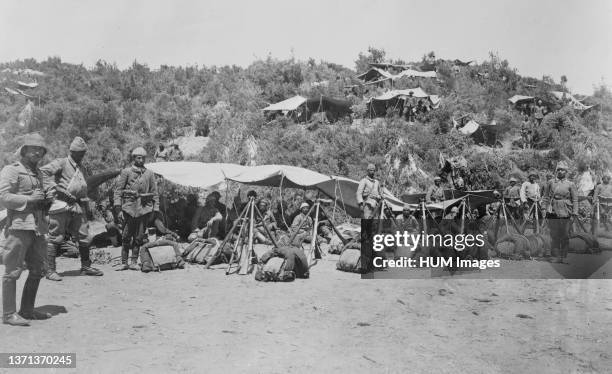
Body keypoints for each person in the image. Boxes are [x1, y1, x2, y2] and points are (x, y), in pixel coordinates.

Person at [0, 133, 55, 326]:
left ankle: (27, 310)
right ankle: (8, 314)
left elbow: (41, 200)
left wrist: (48, 199)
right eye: (33, 148)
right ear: (24, 150)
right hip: (19, 227)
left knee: (37, 269)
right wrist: (29, 199)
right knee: (12, 271)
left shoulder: (39, 173)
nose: (37, 152)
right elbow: (4, 197)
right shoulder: (12, 170)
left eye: (40, 150)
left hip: (38, 227)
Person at [40, 136, 103, 281]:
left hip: (77, 205)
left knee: (84, 235)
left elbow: (84, 186)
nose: (82, 156)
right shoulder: (61, 162)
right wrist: (56, 189)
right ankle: (50, 270)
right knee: (55, 236)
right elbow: (43, 173)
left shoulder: (82, 168)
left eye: (83, 153)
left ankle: (86, 267)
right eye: (79, 153)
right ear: (72, 152)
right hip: (60, 205)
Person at [114, 147, 159, 270]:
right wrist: (118, 210)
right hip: (129, 209)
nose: (141, 160)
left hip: (144, 209)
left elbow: (154, 192)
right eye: (138, 157)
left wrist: (155, 209)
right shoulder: (126, 172)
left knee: (139, 237)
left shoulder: (149, 174)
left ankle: (133, 262)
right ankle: (124, 262)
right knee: (126, 236)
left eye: (143, 158)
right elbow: (118, 192)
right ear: (133, 158)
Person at [541, 161, 578, 263]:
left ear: (566, 172)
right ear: (556, 171)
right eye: (558, 170)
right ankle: (556, 256)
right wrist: (544, 208)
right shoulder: (551, 182)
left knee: (565, 235)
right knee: (554, 234)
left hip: (566, 211)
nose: (560, 171)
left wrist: (574, 213)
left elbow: (575, 200)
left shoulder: (571, 184)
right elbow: (546, 197)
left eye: (563, 170)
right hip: (553, 211)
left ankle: (564, 257)